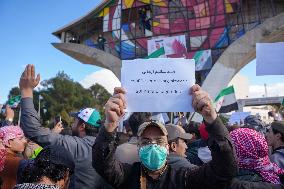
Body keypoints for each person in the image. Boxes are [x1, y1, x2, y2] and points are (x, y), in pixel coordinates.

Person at [92, 85, 238, 188]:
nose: (153, 145)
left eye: (159, 140)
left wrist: (211, 118)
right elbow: (102, 164)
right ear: (139, 147)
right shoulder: (127, 175)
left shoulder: (185, 177)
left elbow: (225, 169)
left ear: (168, 147)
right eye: (146, 141)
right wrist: (110, 125)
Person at [19, 64, 112, 189]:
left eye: (75, 121)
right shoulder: (109, 148)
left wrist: (26, 91)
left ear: (82, 126)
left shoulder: (77, 146)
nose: (72, 123)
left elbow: (33, 130)